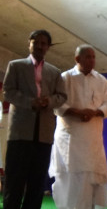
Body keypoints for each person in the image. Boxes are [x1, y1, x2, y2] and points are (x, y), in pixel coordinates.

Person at [2, 30, 67, 208]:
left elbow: (62, 96)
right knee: (14, 182)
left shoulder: (54, 72)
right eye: (35, 42)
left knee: (37, 184)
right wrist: (31, 102)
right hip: (19, 133)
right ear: (29, 43)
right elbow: (8, 92)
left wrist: (48, 101)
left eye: (43, 43)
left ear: (48, 47)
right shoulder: (15, 66)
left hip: (44, 134)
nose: (39, 46)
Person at [49, 44, 107, 208]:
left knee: (91, 179)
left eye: (93, 57)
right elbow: (57, 104)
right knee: (70, 179)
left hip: (92, 138)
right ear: (77, 59)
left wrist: (96, 112)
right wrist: (76, 112)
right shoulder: (65, 78)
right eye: (88, 57)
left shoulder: (101, 80)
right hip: (70, 138)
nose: (92, 60)